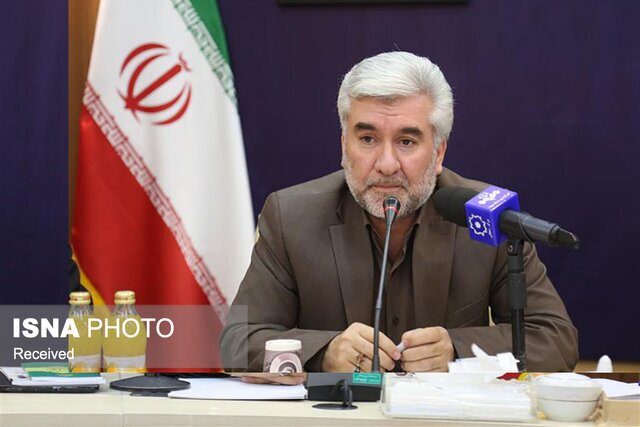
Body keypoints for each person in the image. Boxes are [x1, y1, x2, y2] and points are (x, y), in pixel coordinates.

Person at [221, 52, 578, 373]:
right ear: (344, 146)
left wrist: (457, 349)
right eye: (367, 139)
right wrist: (323, 353)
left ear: (438, 153)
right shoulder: (291, 216)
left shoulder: (486, 216)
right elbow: (237, 344)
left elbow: (556, 340)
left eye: (407, 142)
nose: (387, 164)